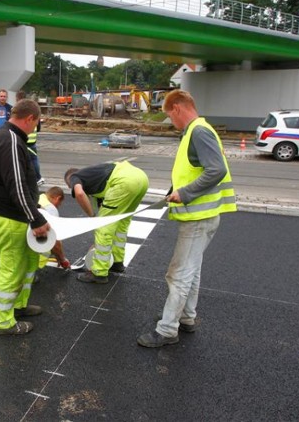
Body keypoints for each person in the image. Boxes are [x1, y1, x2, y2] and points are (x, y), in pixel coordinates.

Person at [137, 89, 236, 348]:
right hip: (202, 216)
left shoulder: (198, 132)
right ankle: (186, 318)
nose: (172, 121)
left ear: (178, 108)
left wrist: (186, 192)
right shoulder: (197, 130)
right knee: (192, 270)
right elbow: (193, 170)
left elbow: (216, 170)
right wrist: (175, 190)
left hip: (198, 218)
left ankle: (167, 329)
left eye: (170, 116)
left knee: (178, 273)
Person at [0, 99, 50, 336]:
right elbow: (17, 186)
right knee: (11, 269)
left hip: (13, 215)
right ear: (29, 118)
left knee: (28, 263)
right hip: (8, 217)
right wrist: (37, 219)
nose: (35, 128)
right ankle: (4, 321)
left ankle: (19, 306)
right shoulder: (10, 140)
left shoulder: (8, 137)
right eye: (36, 123)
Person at [64, 160, 149, 284]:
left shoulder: (75, 177)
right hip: (141, 178)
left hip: (124, 182)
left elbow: (79, 193)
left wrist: (93, 218)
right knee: (121, 224)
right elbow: (100, 204)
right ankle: (117, 262)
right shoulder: (94, 176)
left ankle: (99, 273)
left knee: (103, 227)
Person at [36, 186, 70, 273]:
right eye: (60, 203)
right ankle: (33, 270)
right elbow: (54, 240)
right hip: (32, 240)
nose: (59, 206)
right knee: (46, 245)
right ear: (57, 198)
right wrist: (62, 259)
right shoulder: (50, 209)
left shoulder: (40, 198)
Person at [16, 90, 45, 186]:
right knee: (33, 159)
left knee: (29, 160)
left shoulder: (21, 111)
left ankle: (37, 177)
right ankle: (36, 177)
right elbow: (39, 126)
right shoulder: (33, 109)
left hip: (26, 140)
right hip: (33, 140)